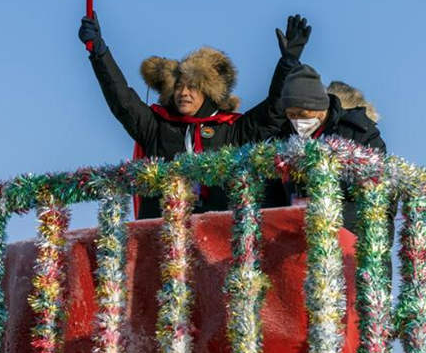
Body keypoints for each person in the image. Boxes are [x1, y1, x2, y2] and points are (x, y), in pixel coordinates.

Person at [78, 13, 311, 219]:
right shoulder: (156, 127)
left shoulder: (231, 130)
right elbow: (122, 100)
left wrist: (288, 64)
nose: (184, 93)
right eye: (179, 86)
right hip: (161, 237)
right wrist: (99, 52)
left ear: (208, 91)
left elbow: (274, 111)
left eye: (193, 87)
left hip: (217, 241)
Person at [273, 65, 390, 238]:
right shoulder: (284, 138)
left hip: (350, 239)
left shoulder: (359, 133)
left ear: (320, 109)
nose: (297, 121)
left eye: (302, 114)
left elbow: (381, 197)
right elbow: (273, 193)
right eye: (291, 115)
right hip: (297, 241)